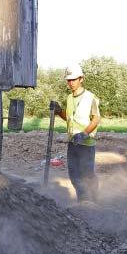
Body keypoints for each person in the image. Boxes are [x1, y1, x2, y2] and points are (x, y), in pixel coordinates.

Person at [53, 64, 101, 202]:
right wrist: (58, 111)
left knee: (87, 175)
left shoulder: (90, 97)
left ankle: (93, 201)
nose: (71, 82)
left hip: (86, 143)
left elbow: (96, 118)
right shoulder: (69, 98)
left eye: (74, 79)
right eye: (69, 80)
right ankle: (82, 202)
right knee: (74, 176)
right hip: (73, 143)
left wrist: (84, 133)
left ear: (81, 79)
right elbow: (69, 118)